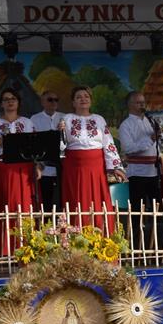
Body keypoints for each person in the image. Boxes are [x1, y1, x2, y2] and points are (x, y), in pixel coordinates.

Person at [59, 86, 124, 230]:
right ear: (73, 102)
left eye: (86, 96)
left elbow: (108, 143)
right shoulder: (67, 119)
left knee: (98, 198)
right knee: (77, 199)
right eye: (79, 97)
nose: (83, 99)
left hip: (96, 166)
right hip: (74, 166)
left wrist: (116, 167)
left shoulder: (99, 119)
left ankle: (101, 235)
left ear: (91, 100)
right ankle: (77, 235)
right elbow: (61, 146)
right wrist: (59, 133)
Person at [0, 87, 37, 255]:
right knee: (7, 205)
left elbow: (35, 146)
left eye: (13, 98)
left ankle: (27, 247)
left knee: (25, 206)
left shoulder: (27, 123)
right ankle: (6, 249)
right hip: (5, 168)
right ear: (1, 103)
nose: (10, 102)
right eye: (6, 99)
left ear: (18, 102)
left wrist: (37, 166)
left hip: (25, 169)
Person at [118, 90, 163, 211]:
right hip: (137, 173)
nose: (142, 105)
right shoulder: (125, 125)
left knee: (158, 208)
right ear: (129, 105)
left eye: (143, 102)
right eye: (138, 102)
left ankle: (158, 224)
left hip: (154, 171)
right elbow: (128, 148)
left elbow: (156, 145)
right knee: (138, 209)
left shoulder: (150, 121)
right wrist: (150, 139)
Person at [30, 90, 64, 209]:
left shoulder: (64, 117)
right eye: (50, 100)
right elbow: (33, 144)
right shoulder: (34, 119)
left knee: (62, 202)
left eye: (56, 100)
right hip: (43, 169)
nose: (53, 102)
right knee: (46, 203)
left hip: (63, 167)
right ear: (42, 102)